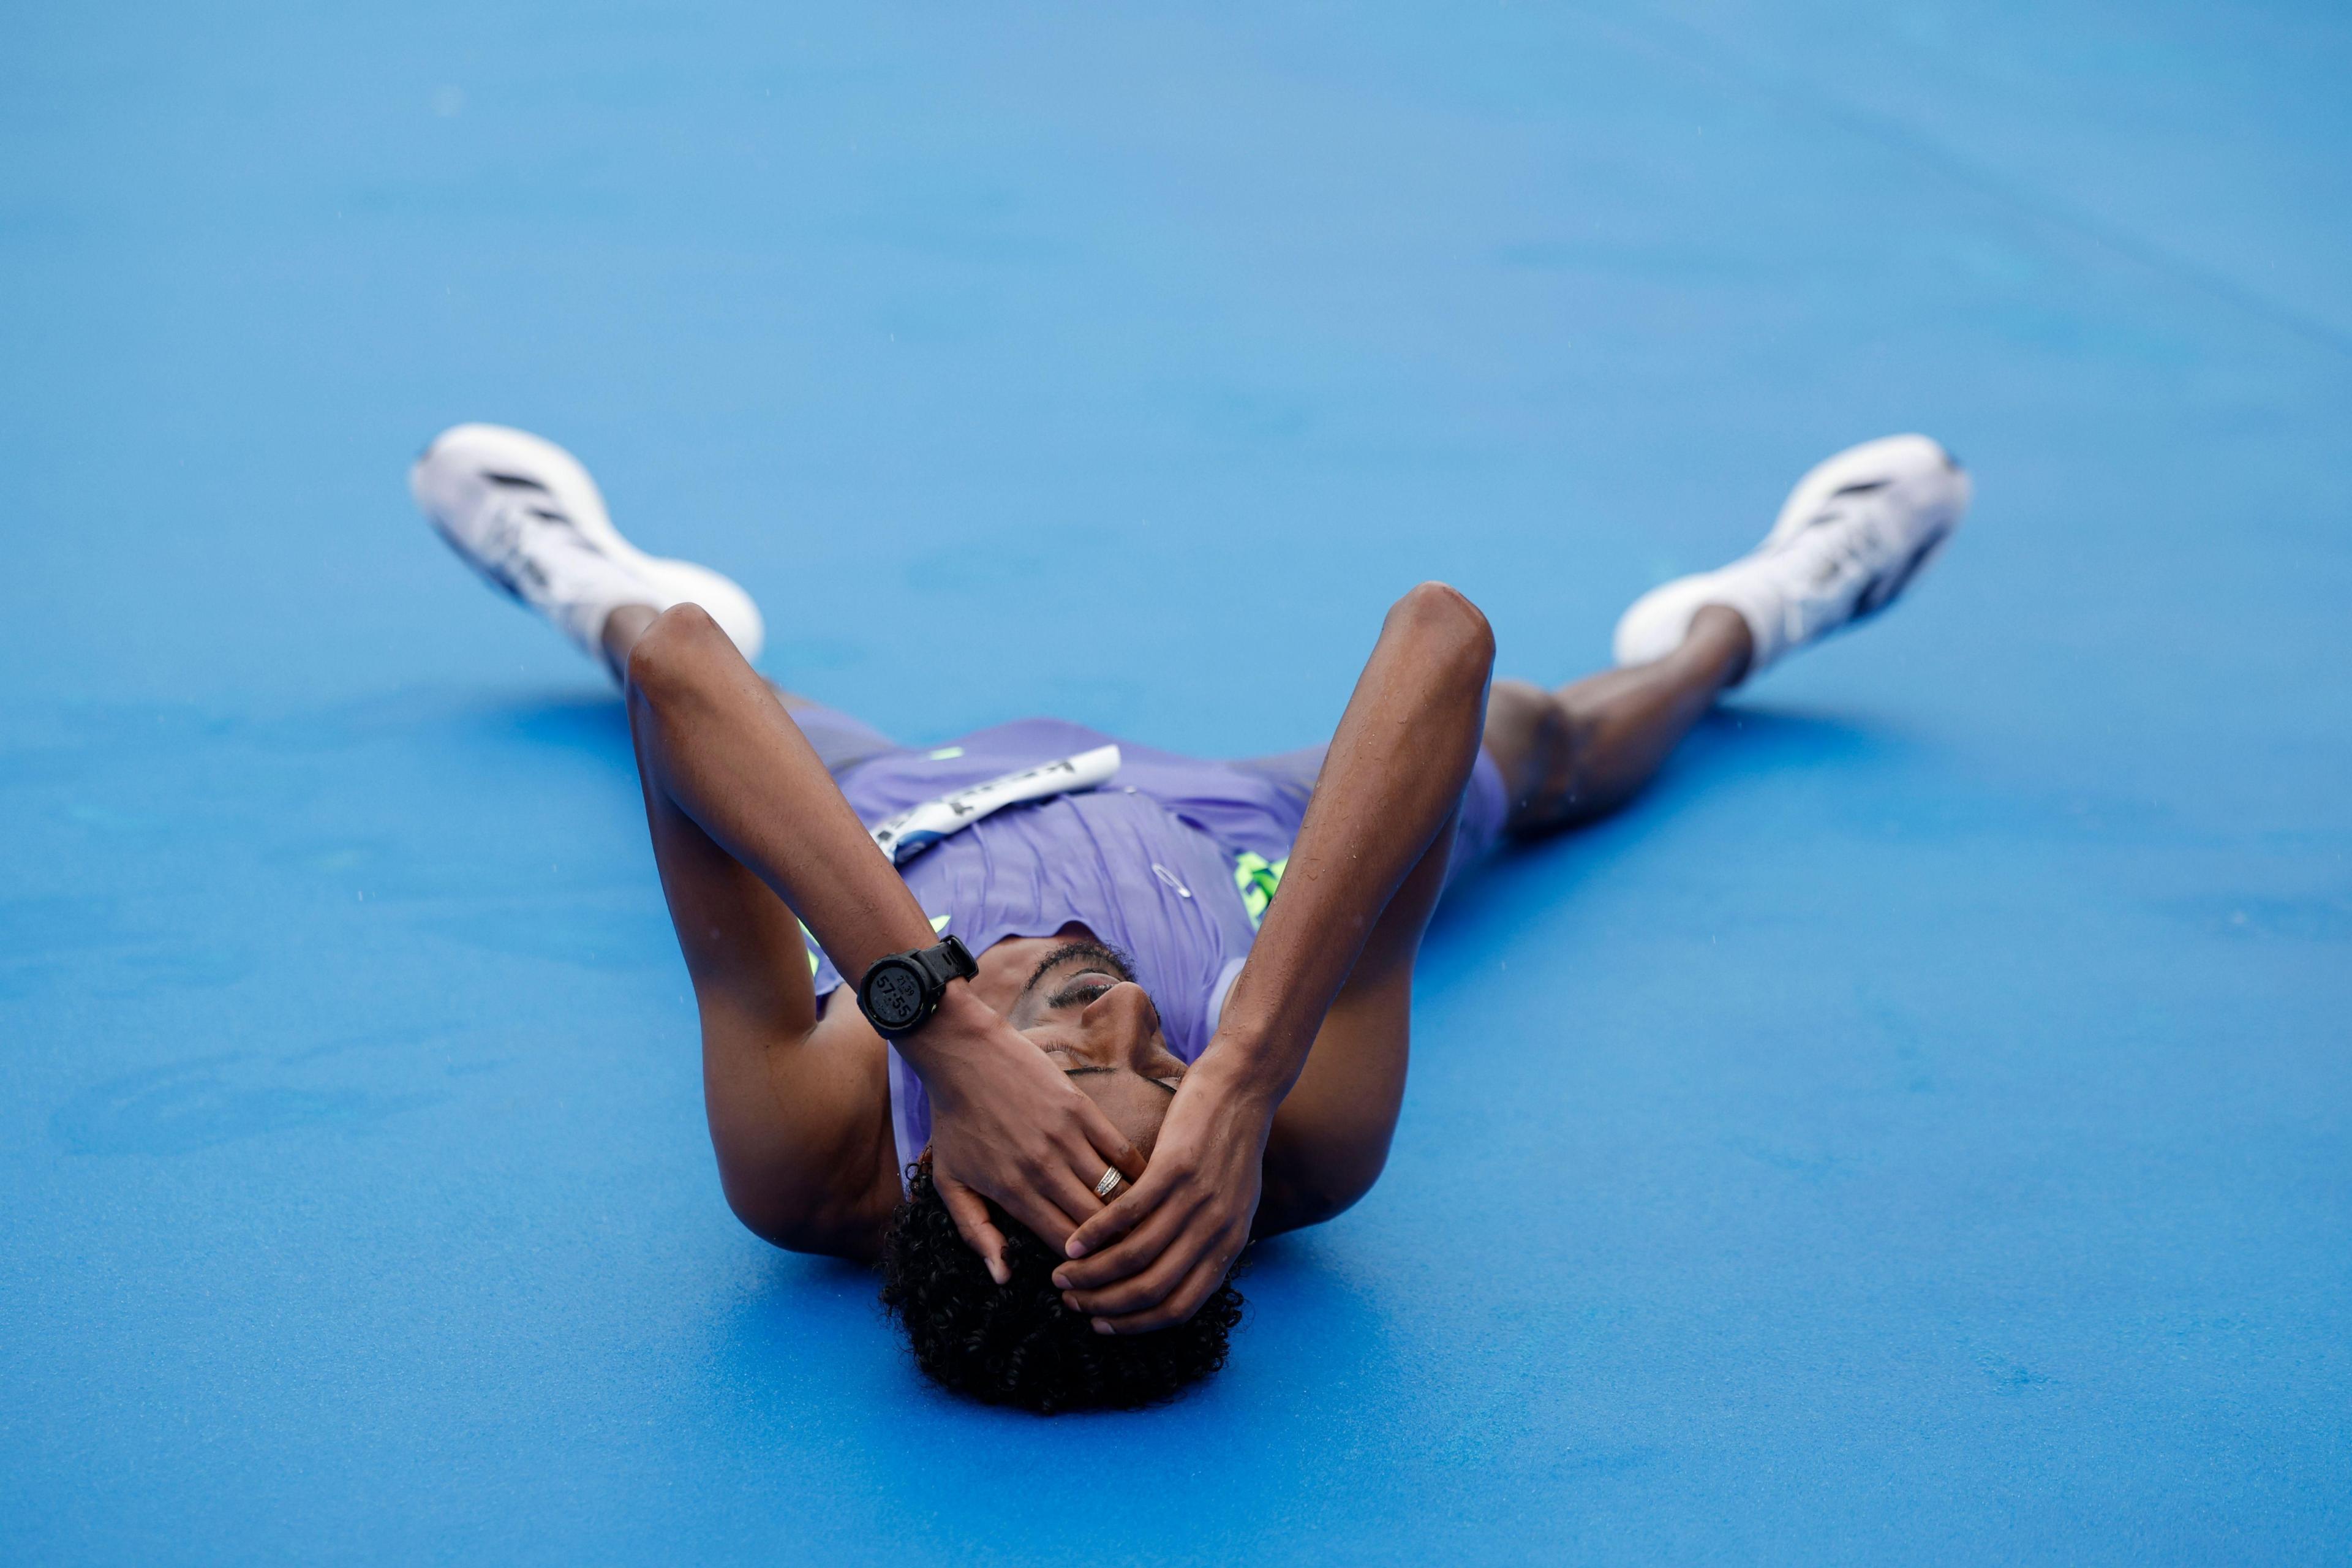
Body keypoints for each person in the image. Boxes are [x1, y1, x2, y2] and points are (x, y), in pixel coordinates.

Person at [410, 424, 1970, 1412]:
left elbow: (688, 679)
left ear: (956, 1179)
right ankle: (1764, 609)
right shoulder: (1299, 1137)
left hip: (897, 816)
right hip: (1243, 830)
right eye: (1168, 1070)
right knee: (1555, 746)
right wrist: (1247, 1071)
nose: (1147, 1019)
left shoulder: (811, 1146)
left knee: (664, 647)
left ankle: (571, 568)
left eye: (1077, 1055)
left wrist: (941, 1018)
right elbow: (1444, 642)